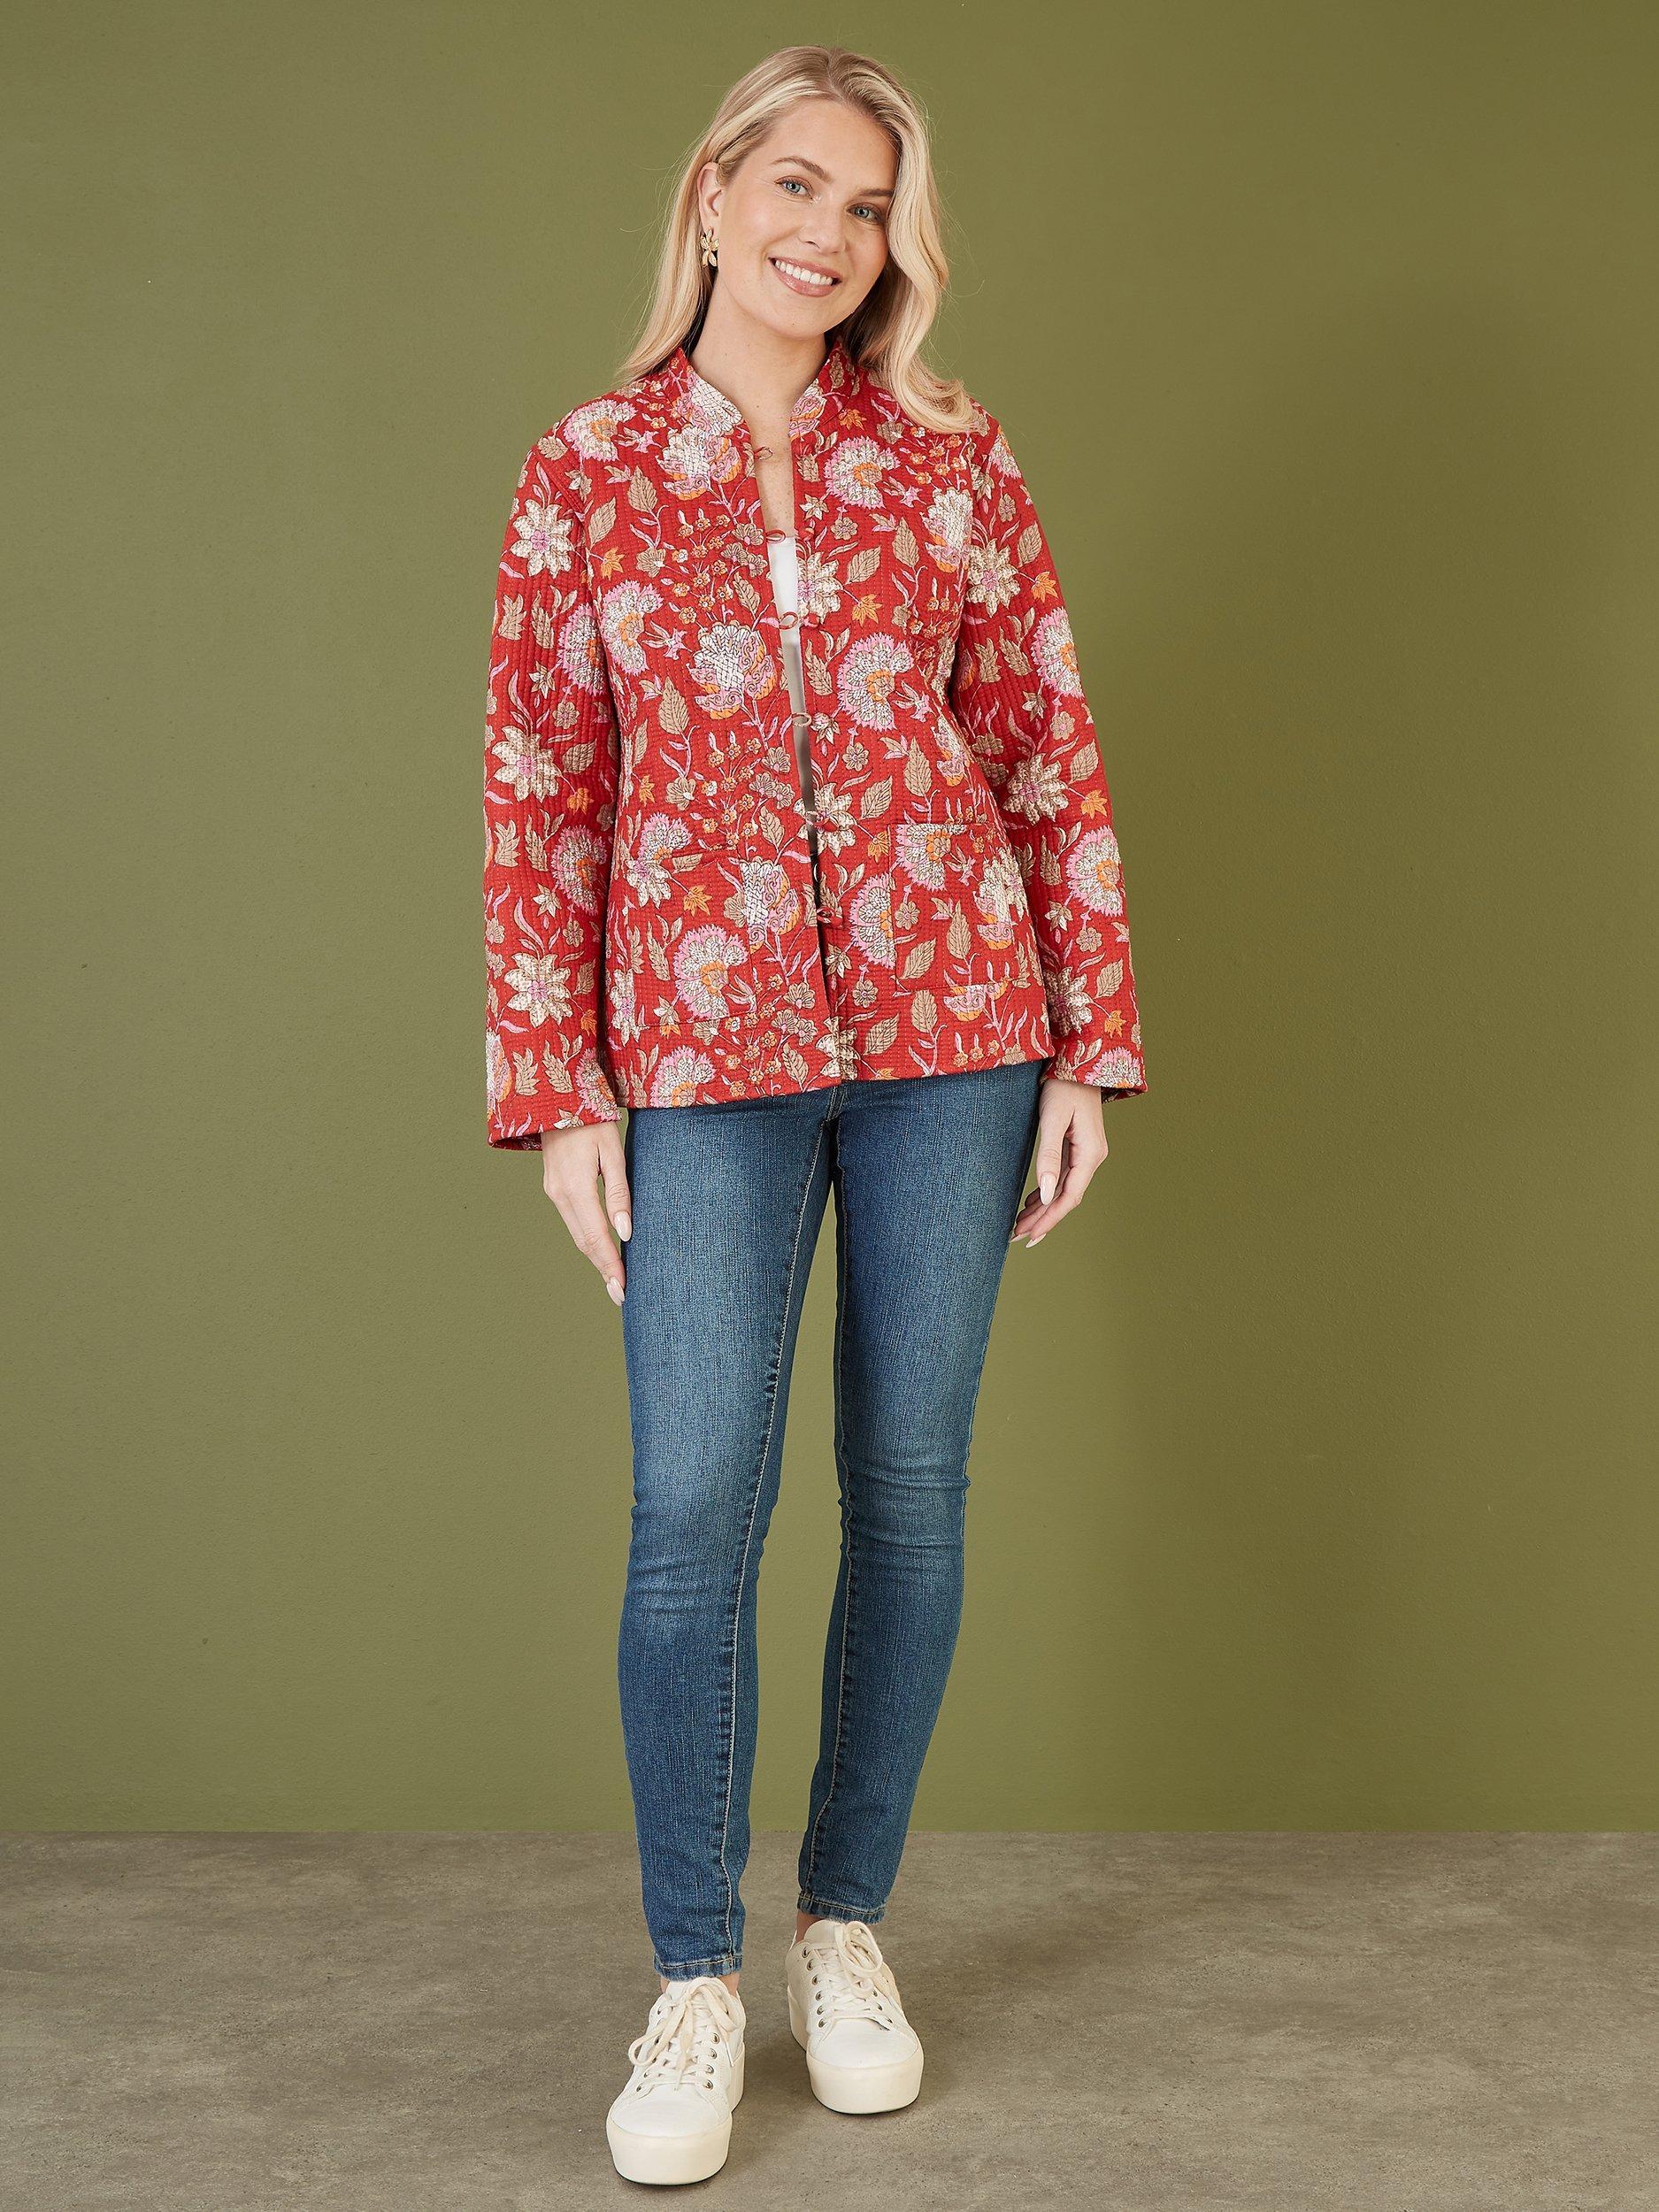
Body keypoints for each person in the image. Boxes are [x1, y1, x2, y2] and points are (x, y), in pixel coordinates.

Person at [482, 42, 1147, 2187]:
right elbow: (540, 790)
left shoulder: (948, 455)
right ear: (710, 191)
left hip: (958, 1026)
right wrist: (556, 1085)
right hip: (695, 1051)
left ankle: (840, 1924)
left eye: (866, 205)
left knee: (909, 1490)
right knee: (693, 1508)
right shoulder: (586, 470)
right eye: (795, 184)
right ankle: (693, 1973)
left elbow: (1038, 738)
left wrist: (1082, 1041)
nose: (827, 234)